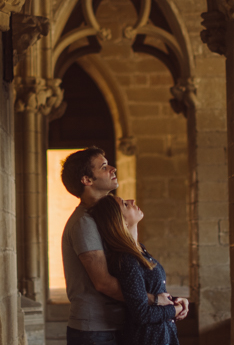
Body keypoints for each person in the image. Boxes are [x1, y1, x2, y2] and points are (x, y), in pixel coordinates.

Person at [88, 194, 188, 345]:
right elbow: (141, 313)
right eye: (125, 205)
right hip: (148, 338)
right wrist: (176, 310)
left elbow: (148, 290)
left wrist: (173, 301)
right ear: (121, 221)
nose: (132, 201)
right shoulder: (126, 259)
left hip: (162, 334)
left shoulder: (140, 250)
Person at [60, 147, 127, 345]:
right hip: (95, 332)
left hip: (112, 325)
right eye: (104, 167)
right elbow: (103, 283)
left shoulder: (104, 219)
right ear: (87, 180)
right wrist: (152, 300)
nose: (113, 169)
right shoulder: (84, 223)